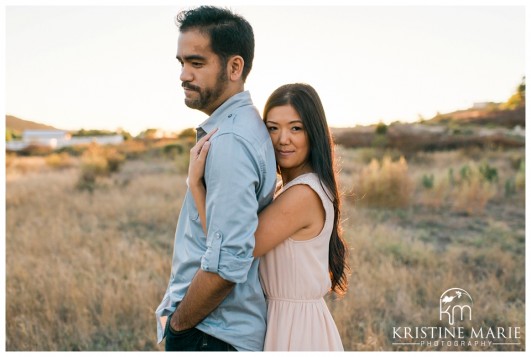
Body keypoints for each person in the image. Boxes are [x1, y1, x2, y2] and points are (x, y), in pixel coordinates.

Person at [188, 83, 350, 351]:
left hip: (297, 330)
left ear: (314, 132)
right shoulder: (287, 189)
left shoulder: (303, 195)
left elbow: (233, 247)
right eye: (272, 128)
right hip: (282, 319)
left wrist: (195, 185)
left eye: (295, 128)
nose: (282, 139)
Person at [155, 6, 277, 351]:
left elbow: (227, 264)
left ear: (234, 67)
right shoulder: (239, 128)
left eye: (196, 63)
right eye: (181, 63)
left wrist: (178, 327)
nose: (182, 75)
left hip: (212, 334)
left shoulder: (231, 141)